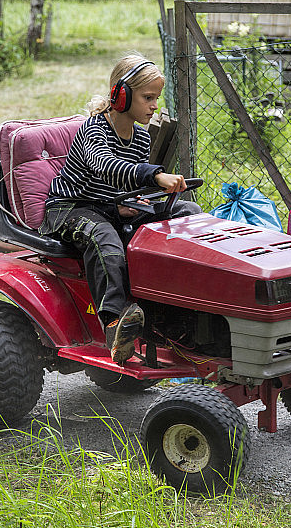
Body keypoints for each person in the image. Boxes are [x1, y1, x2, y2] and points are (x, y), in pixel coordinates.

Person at [39, 53, 200, 364]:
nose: (155, 105)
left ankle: (179, 306)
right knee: (105, 240)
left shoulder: (140, 135)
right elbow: (106, 166)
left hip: (110, 206)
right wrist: (155, 175)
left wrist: (131, 202)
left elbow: (124, 183)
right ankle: (115, 324)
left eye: (156, 98)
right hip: (71, 207)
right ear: (120, 95)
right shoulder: (93, 129)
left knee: (187, 212)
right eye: (148, 97)